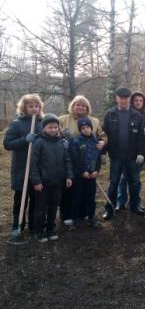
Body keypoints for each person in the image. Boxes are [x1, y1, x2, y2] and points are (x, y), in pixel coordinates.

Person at [58, 95, 105, 225]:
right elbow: (53, 133)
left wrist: (102, 142)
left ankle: (84, 213)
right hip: (66, 160)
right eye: (77, 105)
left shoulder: (94, 121)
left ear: (87, 108)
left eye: (83, 105)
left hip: (86, 161)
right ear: (72, 106)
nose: (80, 107)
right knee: (68, 188)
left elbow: (102, 136)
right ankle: (66, 214)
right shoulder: (62, 119)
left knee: (85, 189)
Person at [102, 86, 145, 220]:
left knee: (134, 181)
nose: (123, 101)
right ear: (117, 98)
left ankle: (134, 205)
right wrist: (103, 152)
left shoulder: (136, 115)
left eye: (126, 98)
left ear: (129, 99)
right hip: (115, 155)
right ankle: (110, 208)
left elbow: (141, 137)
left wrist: (141, 153)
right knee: (114, 182)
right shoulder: (110, 114)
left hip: (132, 155)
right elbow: (104, 134)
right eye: (121, 98)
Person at [3, 94, 44, 235]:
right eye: (31, 106)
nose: (34, 108)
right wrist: (24, 140)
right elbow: (7, 144)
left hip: (37, 168)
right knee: (20, 198)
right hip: (21, 167)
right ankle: (17, 224)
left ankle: (33, 225)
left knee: (35, 198)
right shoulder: (17, 124)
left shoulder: (42, 123)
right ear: (24, 107)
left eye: (36, 106)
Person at [30, 114, 73, 243]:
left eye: (55, 127)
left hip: (57, 181)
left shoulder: (61, 142)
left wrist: (69, 176)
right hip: (43, 182)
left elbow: (67, 160)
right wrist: (36, 181)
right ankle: (39, 230)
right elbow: (34, 164)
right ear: (44, 128)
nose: (53, 129)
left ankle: (51, 228)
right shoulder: (39, 142)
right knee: (41, 207)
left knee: (54, 206)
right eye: (50, 127)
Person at [116, 91, 145, 210]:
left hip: (139, 153)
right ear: (131, 101)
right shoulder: (125, 113)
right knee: (123, 177)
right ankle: (121, 201)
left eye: (141, 100)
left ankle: (135, 202)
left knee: (135, 178)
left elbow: (144, 135)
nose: (138, 102)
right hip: (124, 152)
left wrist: (142, 153)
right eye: (136, 100)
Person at [70, 117, 102, 228]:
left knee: (91, 197)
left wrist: (96, 171)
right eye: (83, 128)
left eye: (88, 127)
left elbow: (98, 159)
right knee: (78, 196)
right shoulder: (76, 141)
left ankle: (91, 217)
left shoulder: (96, 141)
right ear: (80, 130)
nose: (86, 130)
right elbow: (75, 159)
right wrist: (82, 171)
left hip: (92, 175)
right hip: (80, 175)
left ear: (91, 128)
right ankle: (76, 218)